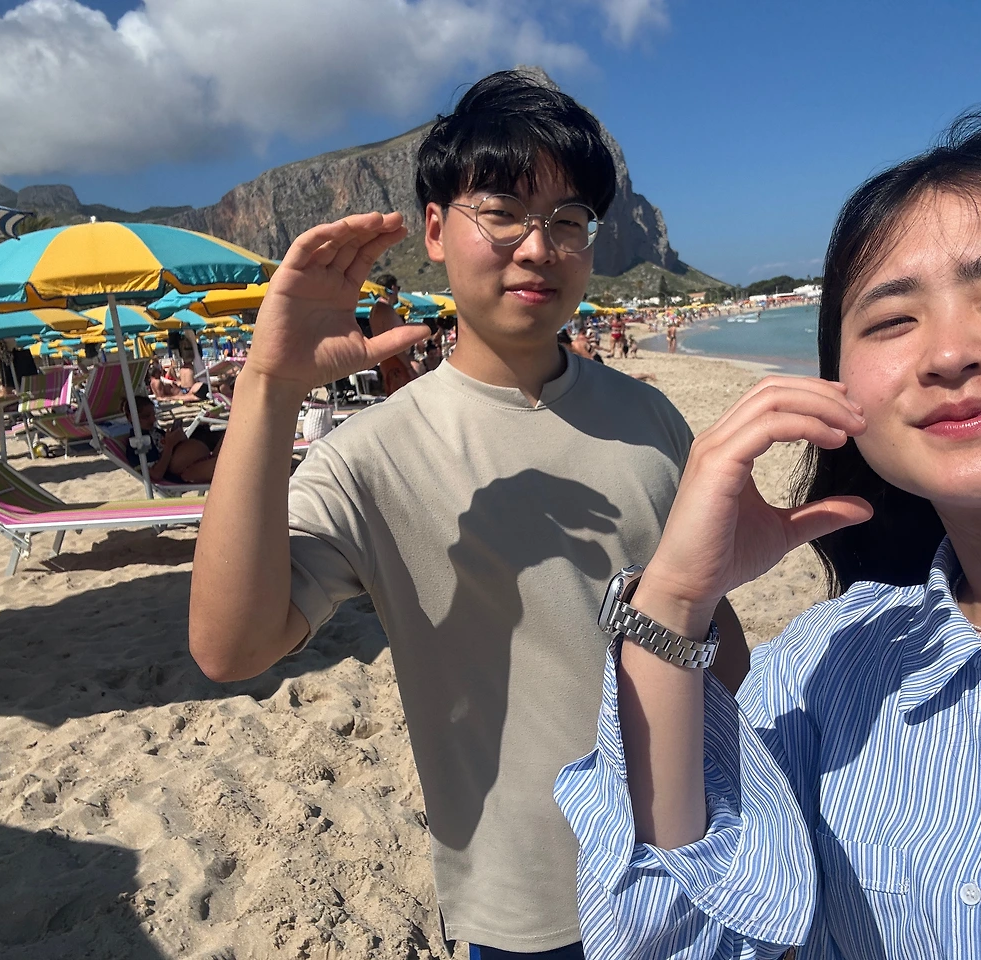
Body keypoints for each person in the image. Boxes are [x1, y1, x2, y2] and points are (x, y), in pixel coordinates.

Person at [554, 111, 981, 957]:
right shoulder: (823, 664)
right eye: (890, 321)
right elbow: (676, 938)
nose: (948, 354)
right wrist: (674, 601)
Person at [189, 70, 748, 958]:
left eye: (568, 220)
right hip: (531, 903)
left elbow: (719, 638)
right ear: (436, 230)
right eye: (503, 213)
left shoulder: (652, 419)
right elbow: (231, 647)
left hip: (701, 864)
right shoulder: (371, 455)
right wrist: (268, 386)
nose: (539, 248)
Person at [123, 395, 217, 485]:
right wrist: (169, 444)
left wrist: (179, 437)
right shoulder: (139, 443)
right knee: (223, 467)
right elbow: (157, 474)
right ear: (131, 418)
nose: (153, 419)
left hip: (198, 461)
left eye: (153, 415)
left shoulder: (155, 432)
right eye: (146, 416)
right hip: (188, 472)